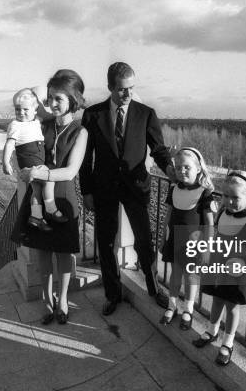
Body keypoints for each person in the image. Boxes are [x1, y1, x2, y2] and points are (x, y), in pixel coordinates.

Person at [79, 62, 174, 316]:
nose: (128, 94)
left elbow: (159, 149)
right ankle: (113, 294)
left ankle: (154, 289)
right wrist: (86, 191)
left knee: (144, 241)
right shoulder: (92, 115)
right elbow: (85, 158)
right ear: (110, 87)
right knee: (106, 242)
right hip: (104, 189)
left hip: (135, 187)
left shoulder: (146, 114)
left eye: (132, 88)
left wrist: (171, 169)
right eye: (122, 89)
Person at [11, 69, 88, 325]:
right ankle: (47, 300)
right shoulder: (41, 124)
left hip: (63, 198)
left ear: (73, 101)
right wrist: (25, 170)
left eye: (59, 99)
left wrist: (42, 172)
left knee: (64, 255)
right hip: (39, 199)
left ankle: (63, 300)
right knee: (43, 254)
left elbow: (71, 171)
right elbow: (25, 144)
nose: (52, 104)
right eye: (51, 98)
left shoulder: (81, 133)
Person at [193, 170, 246, 366]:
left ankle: (228, 342)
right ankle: (212, 330)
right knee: (216, 299)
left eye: (235, 197)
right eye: (226, 196)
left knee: (232, 306)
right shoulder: (222, 213)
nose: (229, 201)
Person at [159, 147, 215, 330]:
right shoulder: (174, 189)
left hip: (194, 243)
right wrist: (162, 237)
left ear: (198, 168)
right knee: (175, 274)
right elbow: (168, 215)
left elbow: (209, 224)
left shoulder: (204, 192)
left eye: (186, 167)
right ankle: (172, 305)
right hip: (175, 239)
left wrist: (207, 248)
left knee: (191, 276)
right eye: (178, 168)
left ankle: (188, 309)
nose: (181, 171)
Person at [3, 88, 67, 232]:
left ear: (35, 109)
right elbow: (9, 144)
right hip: (28, 158)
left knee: (36, 190)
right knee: (49, 178)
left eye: (25, 109)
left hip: (35, 158)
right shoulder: (15, 125)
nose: (21, 113)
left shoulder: (35, 122)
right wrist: (6, 162)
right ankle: (51, 209)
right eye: (17, 109)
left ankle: (36, 216)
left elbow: (49, 118)